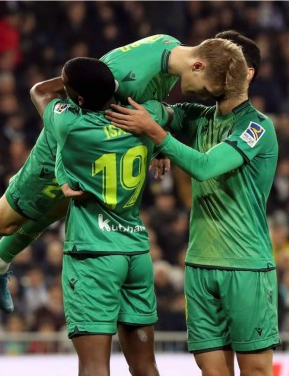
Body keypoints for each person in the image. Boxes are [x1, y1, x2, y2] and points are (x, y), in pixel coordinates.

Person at [0, 34, 244, 313]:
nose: (209, 98)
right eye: (211, 90)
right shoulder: (125, 75)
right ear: (198, 65)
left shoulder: (169, 47)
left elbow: (140, 113)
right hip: (67, 144)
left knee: (60, 209)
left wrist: (155, 144)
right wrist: (61, 167)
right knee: (5, 220)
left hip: (96, 147)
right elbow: (51, 91)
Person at [105, 31, 279, 376]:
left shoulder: (256, 127)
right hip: (199, 264)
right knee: (211, 372)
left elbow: (205, 166)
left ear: (246, 73)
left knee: (256, 371)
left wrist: (158, 137)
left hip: (246, 265)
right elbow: (153, 111)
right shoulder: (199, 118)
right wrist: (155, 141)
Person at [34, 57, 177, 376]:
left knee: (95, 366)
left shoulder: (72, 125)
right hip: (136, 253)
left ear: (80, 98)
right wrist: (162, 146)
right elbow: (169, 114)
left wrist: (73, 82)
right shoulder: (146, 115)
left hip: (93, 254)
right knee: (145, 365)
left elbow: (40, 91)